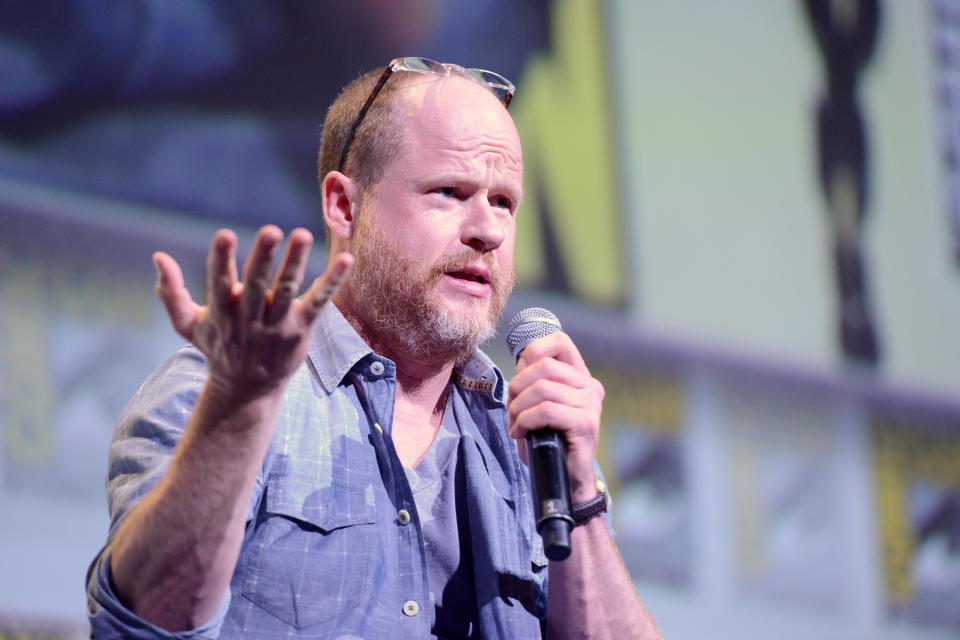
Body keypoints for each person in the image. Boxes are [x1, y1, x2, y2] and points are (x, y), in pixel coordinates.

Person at [86, 57, 662, 639]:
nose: (487, 230)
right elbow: (146, 623)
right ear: (344, 206)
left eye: (505, 203)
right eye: (450, 191)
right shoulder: (221, 393)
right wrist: (237, 411)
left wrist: (581, 494)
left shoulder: (533, 441)